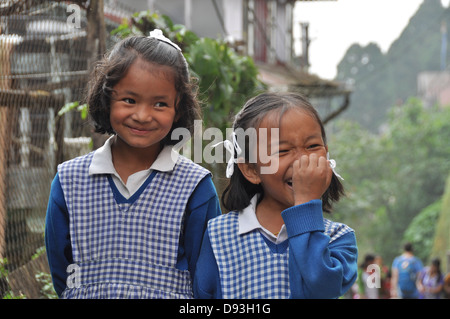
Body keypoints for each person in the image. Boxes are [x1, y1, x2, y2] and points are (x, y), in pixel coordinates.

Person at [45, 30, 221, 299]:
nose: (142, 115)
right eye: (129, 100)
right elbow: (62, 273)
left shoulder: (195, 188)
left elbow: (207, 281)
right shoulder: (70, 181)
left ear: (178, 110)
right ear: (106, 98)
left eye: (160, 104)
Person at [194, 92, 358, 299]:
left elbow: (319, 290)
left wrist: (306, 204)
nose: (301, 161)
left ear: (326, 155)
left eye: (312, 147)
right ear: (251, 170)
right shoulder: (218, 235)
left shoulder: (338, 238)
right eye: (282, 151)